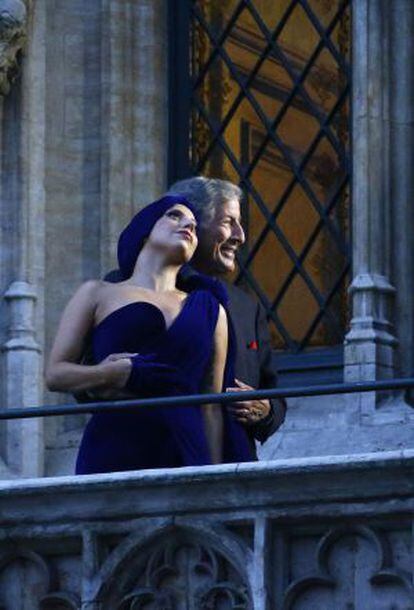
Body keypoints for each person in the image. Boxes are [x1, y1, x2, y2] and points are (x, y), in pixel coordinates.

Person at [46, 195, 253, 474]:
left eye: (193, 224)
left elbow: (210, 406)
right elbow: (55, 375)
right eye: (174, 216)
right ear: (145, 230)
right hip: (115, 447)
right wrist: (111, 374)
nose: (188, 226)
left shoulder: (211, 309)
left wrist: (212, 478)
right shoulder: (97, 293)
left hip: (186, 451)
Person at [167, 177, 286, 450]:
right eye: (228, 222)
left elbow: (275, 394)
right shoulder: (127, 287)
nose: (240, 236)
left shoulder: (246, 307)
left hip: (232, 462)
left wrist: (265, 409)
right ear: (191, 225)